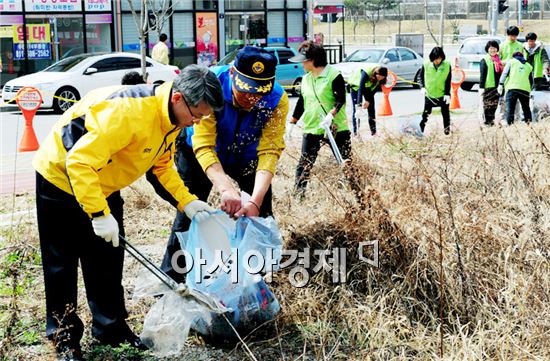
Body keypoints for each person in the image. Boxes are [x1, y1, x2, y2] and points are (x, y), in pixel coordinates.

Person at [33, 65, 223, 361]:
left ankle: (110, 327)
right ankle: (64, 338)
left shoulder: (171, 119)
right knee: (62, 264)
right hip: (60, 178)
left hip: (104, 181)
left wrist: (187, 201)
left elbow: (160, 167)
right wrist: (98, 214)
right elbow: (79, 163)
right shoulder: (129, 112)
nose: (197, 122)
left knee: (107, 258)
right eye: (196, 115)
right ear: (178, 98)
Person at [160, 46, 289, 282]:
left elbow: (270, 151)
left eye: (259, 93)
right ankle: (171, 279)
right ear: (232, 74)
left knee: (259, 214)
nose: (252, 99)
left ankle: (255, 279)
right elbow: (204, 145)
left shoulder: (277, 100)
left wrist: (254, 200)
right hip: (198, 154)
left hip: (246, 156)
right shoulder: (211, 86)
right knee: (190, 211)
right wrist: (226, 189)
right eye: (246, 90)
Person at [288, 41, 350, 196]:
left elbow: (341, 99)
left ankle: (356, 194)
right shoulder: (306, 79)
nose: (301, 64)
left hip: (335, 127)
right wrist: (292, 123)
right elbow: (302, 102)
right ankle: (298, 195)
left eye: (303, 60)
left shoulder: (334, 76)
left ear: (313, 60)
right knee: (304, 164)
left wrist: (331, 115)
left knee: (346, 163)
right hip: (312, 127)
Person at [419, 46, 452, 135]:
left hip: (443, 94)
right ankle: (420, 130)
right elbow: (420, 77)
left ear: (442, 57)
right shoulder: (426, 64)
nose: (437, 61)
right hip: (429, 94)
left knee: (445, 114)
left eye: (439, 58)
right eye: (435, 59)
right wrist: (422, 87)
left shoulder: (447, 65)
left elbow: (448, 80)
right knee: (426, 114)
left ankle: (447, 131)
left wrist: (447, 93)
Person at [348, 65, 388, 137]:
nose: (379, 79)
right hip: (356, 88)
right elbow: (360, 89)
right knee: (357, 111)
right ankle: (356, 133)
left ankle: (374, 132)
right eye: (378, 77)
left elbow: (374, 90)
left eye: (382, 78)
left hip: (368, 88)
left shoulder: (381, 79)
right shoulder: (366, 73)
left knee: (371, 110)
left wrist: (368, 101)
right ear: (376, 73)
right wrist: (359, 105)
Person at [498, 51, 534, 125]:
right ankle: (529, 125)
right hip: (525, 89)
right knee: (526, 108)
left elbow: (504, 73)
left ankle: (510, 125)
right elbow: (531, 81)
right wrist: (529, 89)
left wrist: (500, 84)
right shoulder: (529, 66)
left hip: (512, 88)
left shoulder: (511, 62)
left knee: (510, 109)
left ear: (513, 57)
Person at [479, 40, 504, 126]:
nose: (493, 50)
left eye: (494, 48)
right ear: (487, 49)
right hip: (488, 86)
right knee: (488, 104)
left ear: (497, 49)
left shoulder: (499, 60)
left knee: (494, 104)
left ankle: (491, 120)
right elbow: (483, 75)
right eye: (491, 48)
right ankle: (487, 121)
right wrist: (481, 87)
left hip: (497, 86)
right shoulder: (484, 60)